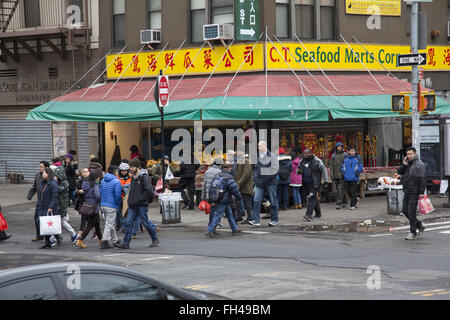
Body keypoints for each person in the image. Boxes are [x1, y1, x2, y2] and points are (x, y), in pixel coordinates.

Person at [117, 158, 159, 249]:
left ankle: (155, 239)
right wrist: (130, 201)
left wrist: (144, 200)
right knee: (128, 223)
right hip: (133, 204)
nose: (130, 169)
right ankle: (126, 243)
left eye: (132, 167)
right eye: (130, 167)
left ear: (137, 167)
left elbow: (149, 191)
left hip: (141, 205)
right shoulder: (133, 177)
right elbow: (131, 190)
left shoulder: (144, 177)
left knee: (146, 223)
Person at [205, 163, 242, 238]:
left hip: (217, 198)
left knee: (229, 214)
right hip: (224, 199)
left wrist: (211, 199)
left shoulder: (217, 176)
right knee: (218, 214)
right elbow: (234, 189)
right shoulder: (229, 177)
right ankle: (210, 230)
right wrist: (239, 198)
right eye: (230, 168)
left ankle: (235, 229)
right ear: (228, 169)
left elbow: (211, 188)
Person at [397, 147, 426, 240]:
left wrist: (421, 192)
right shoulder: (407, 163)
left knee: (411, 212)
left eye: (411, 154)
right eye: (408, 154)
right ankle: (419, 225)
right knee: (405, 211)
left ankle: (413, 232)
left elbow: (422, 179)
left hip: (415, 191)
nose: (409, 156)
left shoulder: (419, 164)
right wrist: (404, 165)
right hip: (407, 190)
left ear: (415, 154)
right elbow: (399, 172)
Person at [249, 141, 279, 227]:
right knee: (256, 200)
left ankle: (275, 220)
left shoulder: (272, 156)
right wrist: (255, 178)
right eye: (258, 146)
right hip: (259, 183)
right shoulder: (257, 156)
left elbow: (276, 169)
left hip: (270, 182)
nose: (259, 148)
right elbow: (254, 169)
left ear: (265, 146)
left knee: (273, 201)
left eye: (260, 146)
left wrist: (267, 176)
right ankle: (255, 220)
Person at [297, 148, 329, 221]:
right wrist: (299, 171)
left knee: (311, 198)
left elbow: (324, 170)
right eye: (304, 153)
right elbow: (298, 171)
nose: (305, 155)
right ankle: (318, 214)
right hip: (305, 183)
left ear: (310, 153)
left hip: (315, 183)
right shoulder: (302, 161)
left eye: (306, 153)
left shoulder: (317, 160)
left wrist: (326, 181)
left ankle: (308, 214)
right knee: (313, 197)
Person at [76, 170, 103, 248]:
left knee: (97, 224)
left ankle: (101, 240)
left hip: (88, 205)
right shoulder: (94, 186)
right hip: (93, 207)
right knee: (89, 225)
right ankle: (80, 240)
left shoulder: (85, 184)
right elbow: (97, 196)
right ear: (97, 178)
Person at [52, 164, 78, 244]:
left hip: (62, 205)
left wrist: (54, 182)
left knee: (60, 221)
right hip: (59, 204)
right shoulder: (60, 182)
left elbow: (57, 190)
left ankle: (53, 238)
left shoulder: (64, 183)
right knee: (60, 221)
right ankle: (58, 236)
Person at [37, 168, 61, 249]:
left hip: (49, 207)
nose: (42, 174)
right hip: (43, 206)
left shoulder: (53, 184)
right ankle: (47, 242)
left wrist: (51, 207)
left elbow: (55, 197)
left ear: (48, 174)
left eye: (44, 173)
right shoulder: (43, 183)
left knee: (50, 224)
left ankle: (58, 238)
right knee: (44, 224)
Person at [100, 166, 122, 249]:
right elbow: (117, 195)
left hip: (103, 204)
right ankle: (104, 241)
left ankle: (115, 240)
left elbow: (101, 192)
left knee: (110, 223)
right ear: (115, 171)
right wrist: (117, 204)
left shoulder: (103, 180)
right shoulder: (116, 181)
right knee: (109, 224)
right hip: (111, 205)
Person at [28, 161, 50, 242]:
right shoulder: (37, 175)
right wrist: (30, 195)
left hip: (47, 202)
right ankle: (39, 235)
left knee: (46, 219)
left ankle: (55, 237)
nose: (39, 168)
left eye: (41, 167)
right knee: (36, 218)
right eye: (39, 167)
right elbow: (34, 187)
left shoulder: (50, 177)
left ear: (46, 168)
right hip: (39, 201)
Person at [201, 158, 223, 230]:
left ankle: (212, 223)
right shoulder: (220, 172)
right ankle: (214, 224)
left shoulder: (207, 171)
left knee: (212, 210)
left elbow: (204, 185)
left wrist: (203, 196)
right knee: (217, 210)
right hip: (216, 195)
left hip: (208, 194)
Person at [234, 151, 254, 224]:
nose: (236, 154)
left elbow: (246, 174)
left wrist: (238, 183)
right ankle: (239, 216)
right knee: (239, 200)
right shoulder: (241, 161)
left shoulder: (246, 161)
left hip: (246, 185)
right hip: (241, 185)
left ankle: (249, 218)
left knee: (247, 201)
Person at [330, 142, 348, 210]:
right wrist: (331, 175)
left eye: (340, 146)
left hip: (343, 175)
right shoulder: (333, 155)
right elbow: (331, 166)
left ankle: (339, 203)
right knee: (338, 190)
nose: (339, 148)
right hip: (335, 175)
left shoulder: (345, 154)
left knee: (340, 189)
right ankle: (344, 202)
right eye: (338, 147)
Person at [116, 162, 132, 232]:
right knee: (118, 212)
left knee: (125, 212)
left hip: (127, 197)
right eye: (122, 170)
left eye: (125, 170)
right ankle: (119, 224)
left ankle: (124, 226)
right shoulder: (117, 177)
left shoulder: (130, 176)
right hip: (119, 197)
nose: (124, 172)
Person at [75, 167, 90, 236]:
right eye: (83, 172)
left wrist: (83, 191)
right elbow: (77, 189)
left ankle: (81, 234)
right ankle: (80, 234)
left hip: (90, 202)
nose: (85, 173)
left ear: (89, 173)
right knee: (84, 218)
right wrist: (77, 191)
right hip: (82, 202)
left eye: (86, 172)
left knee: (91, 219)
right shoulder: (79, 181)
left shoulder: (91, 182)